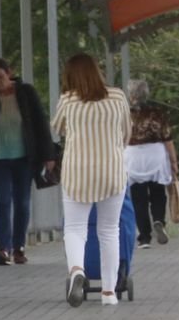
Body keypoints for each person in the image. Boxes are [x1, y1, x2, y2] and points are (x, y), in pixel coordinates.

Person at [51, 54, 131, 307]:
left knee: (75, 228)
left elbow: (57, 128)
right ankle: (108, 293)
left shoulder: (68, 100)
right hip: (111, 171)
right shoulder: (118, 97)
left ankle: (77, 271)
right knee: (109, 230)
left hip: (77, 172)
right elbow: (126, 133)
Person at [0, 58, 54, 265]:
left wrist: (48, 155)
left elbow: (40, 123)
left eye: (0, 76)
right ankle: (3, 248)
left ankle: (18, 247)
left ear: (9, 73)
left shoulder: (26, 93)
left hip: (24, 158)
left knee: (22, 202)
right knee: (2, 201)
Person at [125, 79, 179, 248]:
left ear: (131, 95)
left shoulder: (125, 114)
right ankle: (158, 220)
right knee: (158, 193)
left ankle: (144, 238)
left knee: (138, 199)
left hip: (133, 157)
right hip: (155, 155)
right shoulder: (157, 113)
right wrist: (173, 161)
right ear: (146, 94)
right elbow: (167, 138)